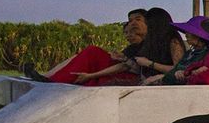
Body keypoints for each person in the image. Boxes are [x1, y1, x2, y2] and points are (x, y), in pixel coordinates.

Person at [21, 8, 151, 86]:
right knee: (87, 54)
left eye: (137, 19)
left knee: (92, 52)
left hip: (130, 76)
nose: (132, 23)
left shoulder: (151, 44)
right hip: (122, 70)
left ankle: (53, 79)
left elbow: (130, 66)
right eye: (130, 20)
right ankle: (48, 76)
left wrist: (92, 75)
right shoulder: (134, 46)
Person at [146, 16, 209, 85]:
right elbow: (170, 75)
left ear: (200, 36)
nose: (186, 34)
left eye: (190, 31)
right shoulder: (189, 53)